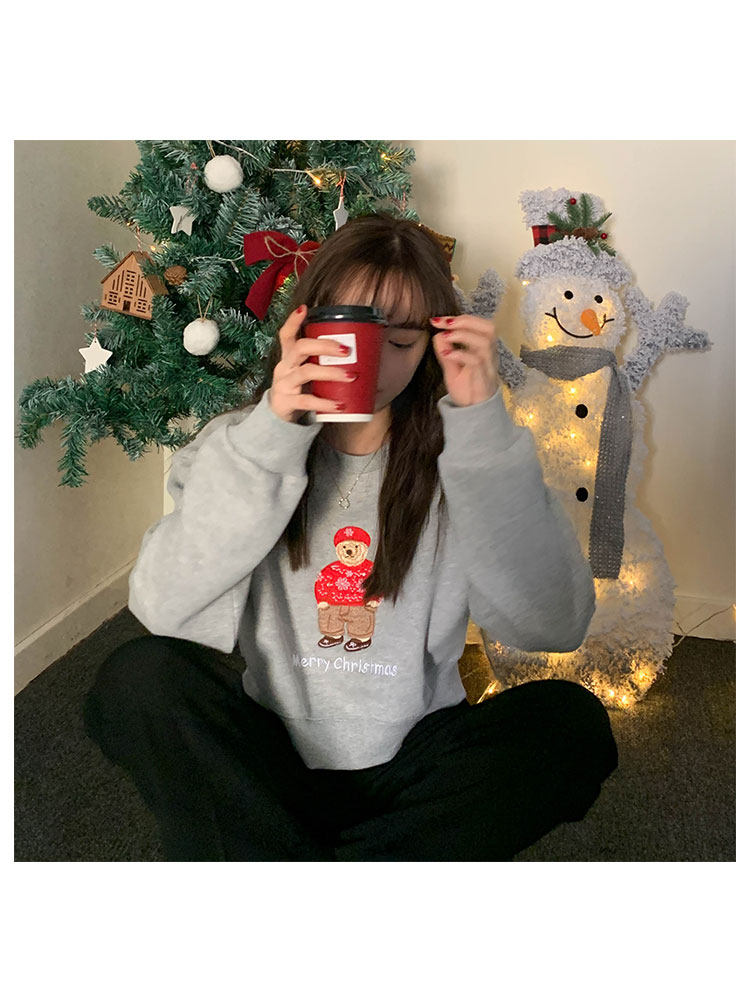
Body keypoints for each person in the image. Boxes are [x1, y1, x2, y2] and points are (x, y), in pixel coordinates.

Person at [83, 212, 618, 861]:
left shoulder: (470, 455)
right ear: (305, 327)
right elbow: (162, 607)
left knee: (570, 724)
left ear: (432, 343)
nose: (375, 361)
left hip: (415, 758)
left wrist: (481, 427)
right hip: (272, 760)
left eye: (402, 341)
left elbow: (554, 625)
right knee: (137, 678)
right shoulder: (243, 444)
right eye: (353, 332)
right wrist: (273, 432)